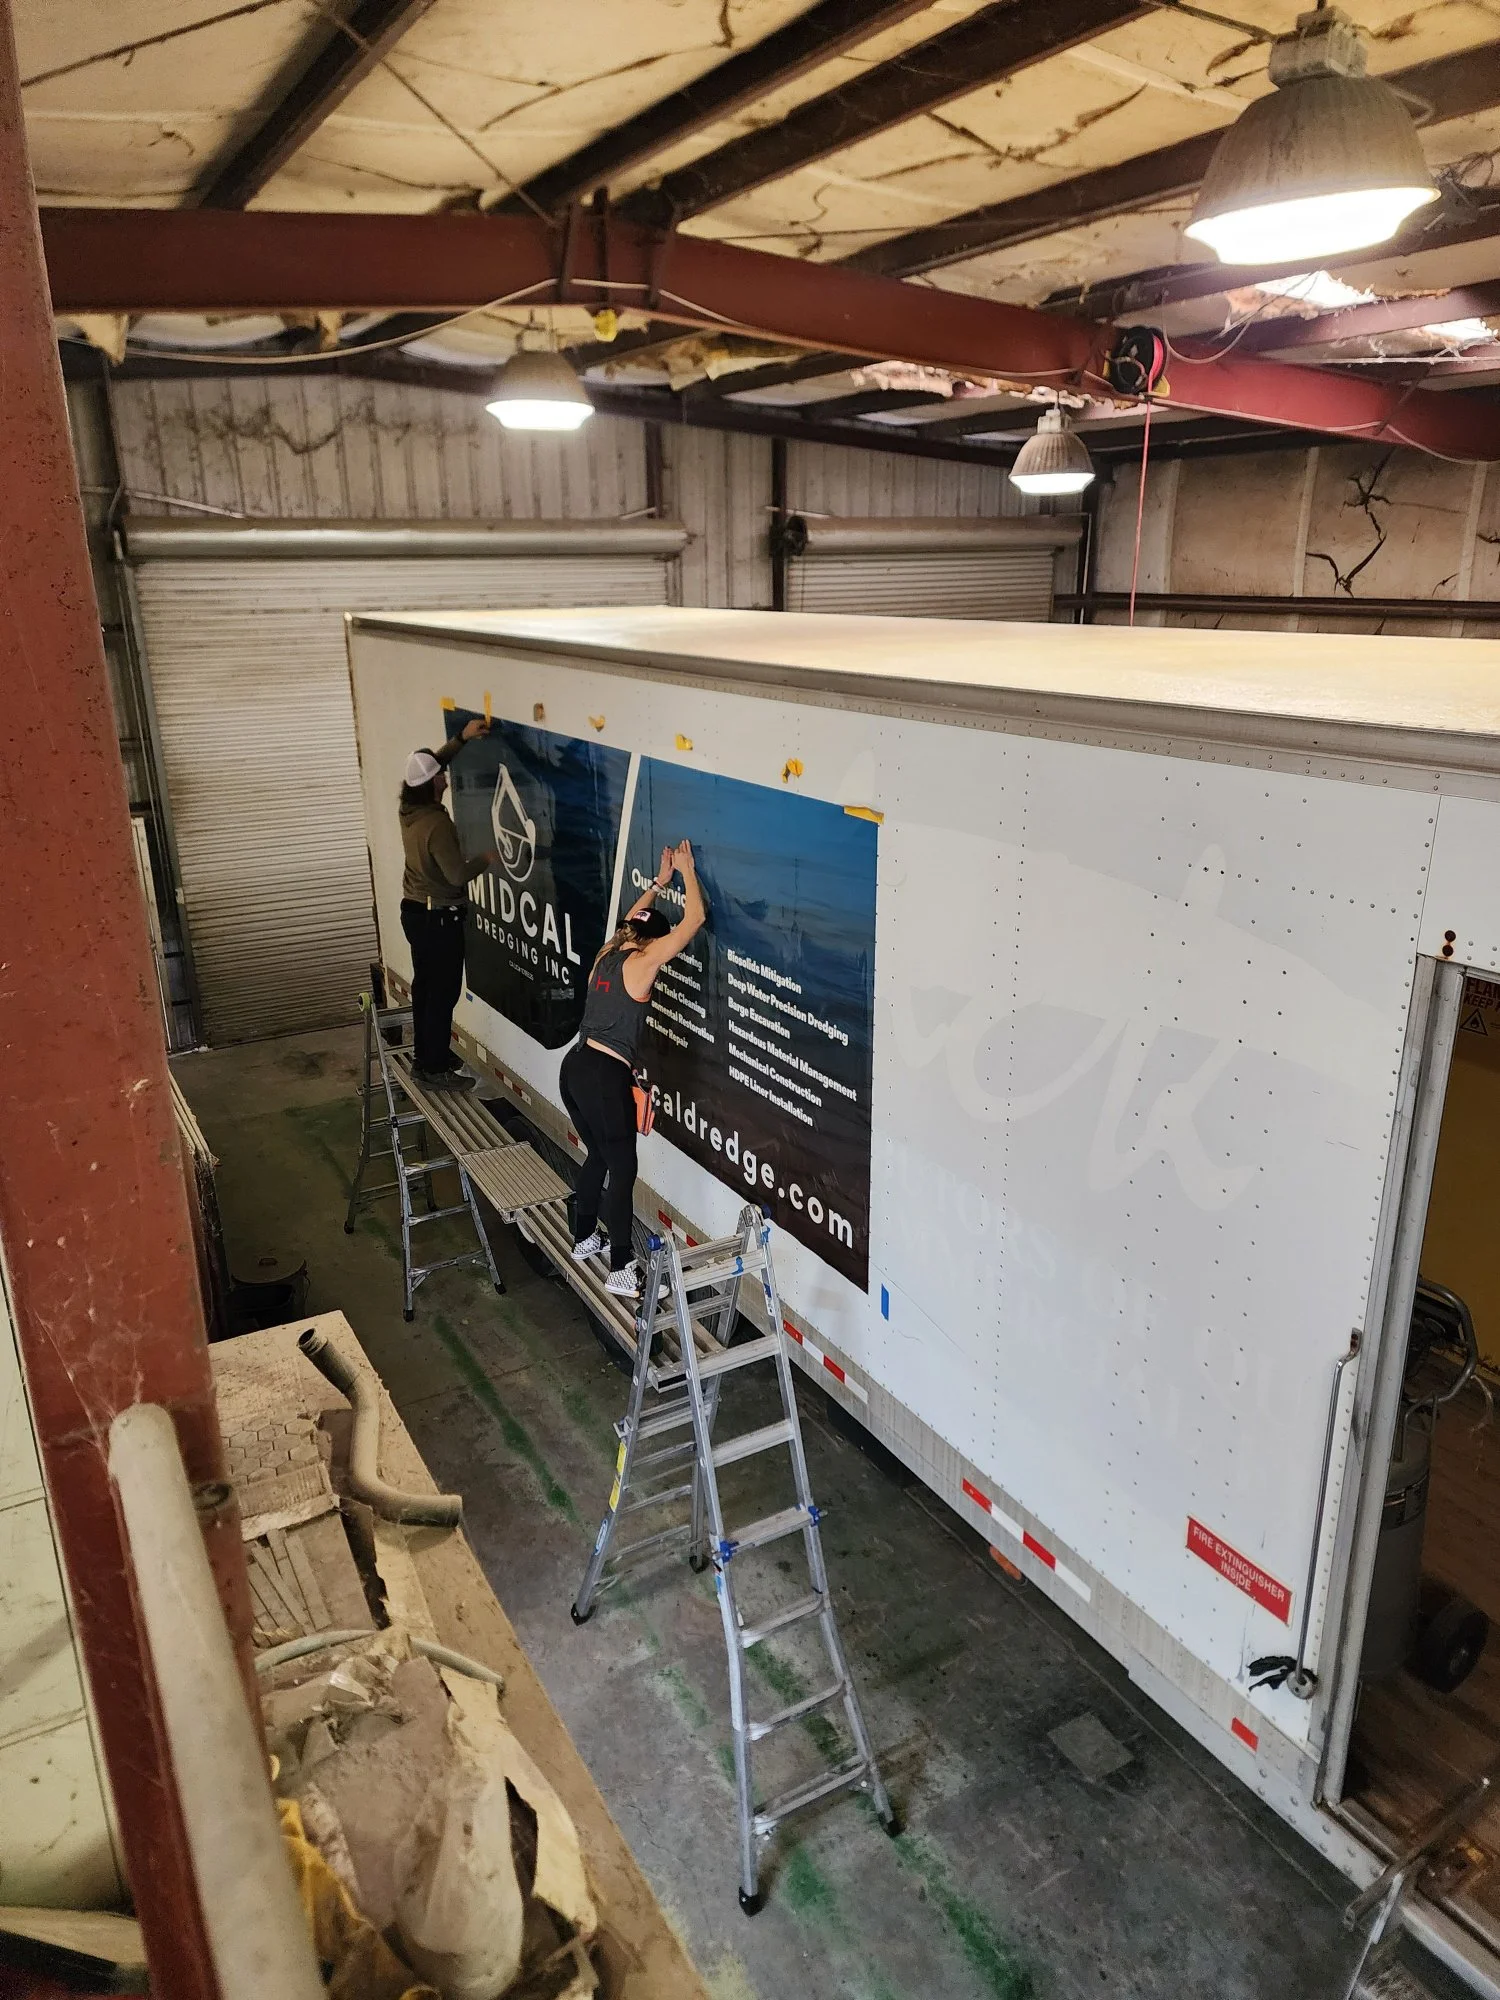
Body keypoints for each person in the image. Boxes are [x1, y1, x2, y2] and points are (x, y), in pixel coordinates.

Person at [560, 840, 706, 1297]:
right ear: (653, 941)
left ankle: (584, 1237)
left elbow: (629, 922)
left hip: (575, 1066)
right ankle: (622, 1268)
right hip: (604, 1076)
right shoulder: (643, 964)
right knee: (622, 1169)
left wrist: (658, 884)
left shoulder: (607, 955)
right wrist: (686, 872)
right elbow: (695, 921)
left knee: (600, 1156)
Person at [399, 718, 499, 1091]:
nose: (446, 778)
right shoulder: (436, 826)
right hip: (438, 918)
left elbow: (431, 765)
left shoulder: (408, 809)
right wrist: (487, 859)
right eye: (440, 777)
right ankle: (433, 1067)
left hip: (416, 912)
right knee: (442, 993)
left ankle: (427, 1056)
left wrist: (461, 739)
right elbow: (457, 875)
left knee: (426, 989)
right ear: (431, 786)